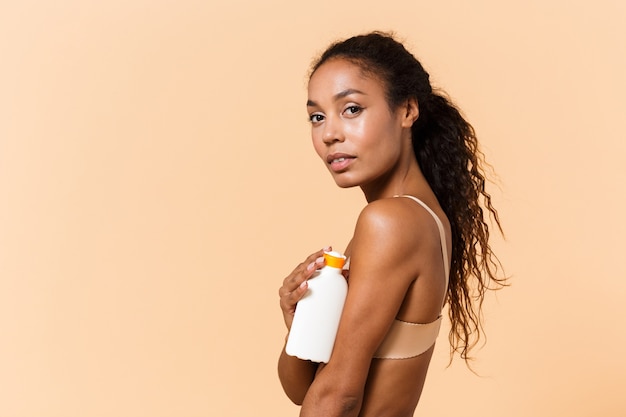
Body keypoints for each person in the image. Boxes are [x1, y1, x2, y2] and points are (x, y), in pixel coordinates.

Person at [277, 31, 506, 417]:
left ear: (407, 111)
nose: (330, 133)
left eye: (351, 109)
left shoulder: (390, 221)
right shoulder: (421, 216)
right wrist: (299, 320)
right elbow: (303, 388)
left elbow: (336, 398)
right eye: (317, 117)